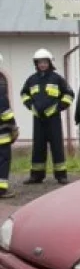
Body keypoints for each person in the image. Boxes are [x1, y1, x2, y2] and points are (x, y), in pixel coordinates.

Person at [20, 49, 73, 184]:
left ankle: (61, 175)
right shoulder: (31, 79)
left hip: (53, 119)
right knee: (38, 147)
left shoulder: (57, 78)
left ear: (49, 63)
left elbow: (69, 94)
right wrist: (31, 106)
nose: (42, 64)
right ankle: (36, 176)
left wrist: (57, 108)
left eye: (45, 62)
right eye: (39, 62)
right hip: (38, 119)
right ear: (36, 64)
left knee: (57, 146)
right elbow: (24, 94)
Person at [0, 54, 18, 199]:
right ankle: (1, 190)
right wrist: (13, 127)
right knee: (3, 160)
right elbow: (5, 113)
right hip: (2, 135)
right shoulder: (0, 87)